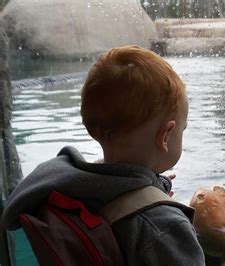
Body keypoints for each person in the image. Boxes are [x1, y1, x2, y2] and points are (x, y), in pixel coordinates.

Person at [1, 45, 206, 265]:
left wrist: (152, 188)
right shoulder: (164, 227)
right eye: (182, 130)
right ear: (165, 135)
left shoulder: (66, 186)